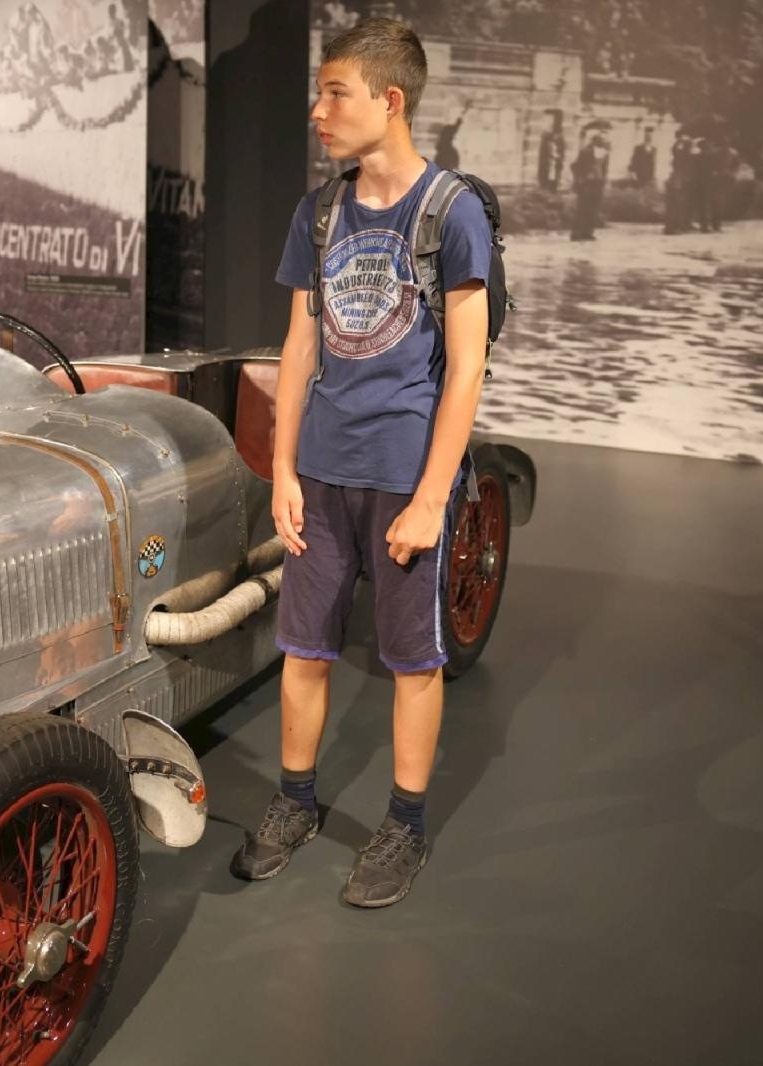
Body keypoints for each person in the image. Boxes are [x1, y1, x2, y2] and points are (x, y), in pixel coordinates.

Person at [231, 18, 491, 908]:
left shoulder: (451, 213)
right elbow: (299, 343)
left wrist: (430, 499)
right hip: (323, 469)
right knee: (304, 649)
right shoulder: (321, 210)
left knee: (411, 658)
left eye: (334, 92)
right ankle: (295, 803)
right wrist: (285, 468)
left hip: (402, 474)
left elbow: (467, 367)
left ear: (390, 99)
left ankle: (404, 826)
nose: (317, 110)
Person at [569, 131, 609, 240]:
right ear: (594, 141)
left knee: (593, 209)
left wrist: (604, 180)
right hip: (587, 183)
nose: (602, 141)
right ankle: (576, 232)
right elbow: (575, 166)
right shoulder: (585, 152)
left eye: (603, 140)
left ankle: (588, 232)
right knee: (582, 208)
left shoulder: (605, 153)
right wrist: (580, 178)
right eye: (600, 139)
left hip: (598, 183)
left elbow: (605, 169)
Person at [537, 112, 564, 192]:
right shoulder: (547, 143)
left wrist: (558, 157)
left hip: (555, 163)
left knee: (554, 176)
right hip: (549, 163)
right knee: (548, 175)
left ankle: (553, 188)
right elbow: (546, 154)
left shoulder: (558, 143)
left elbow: (560, 153)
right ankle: (546, 188)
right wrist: (553, 155)